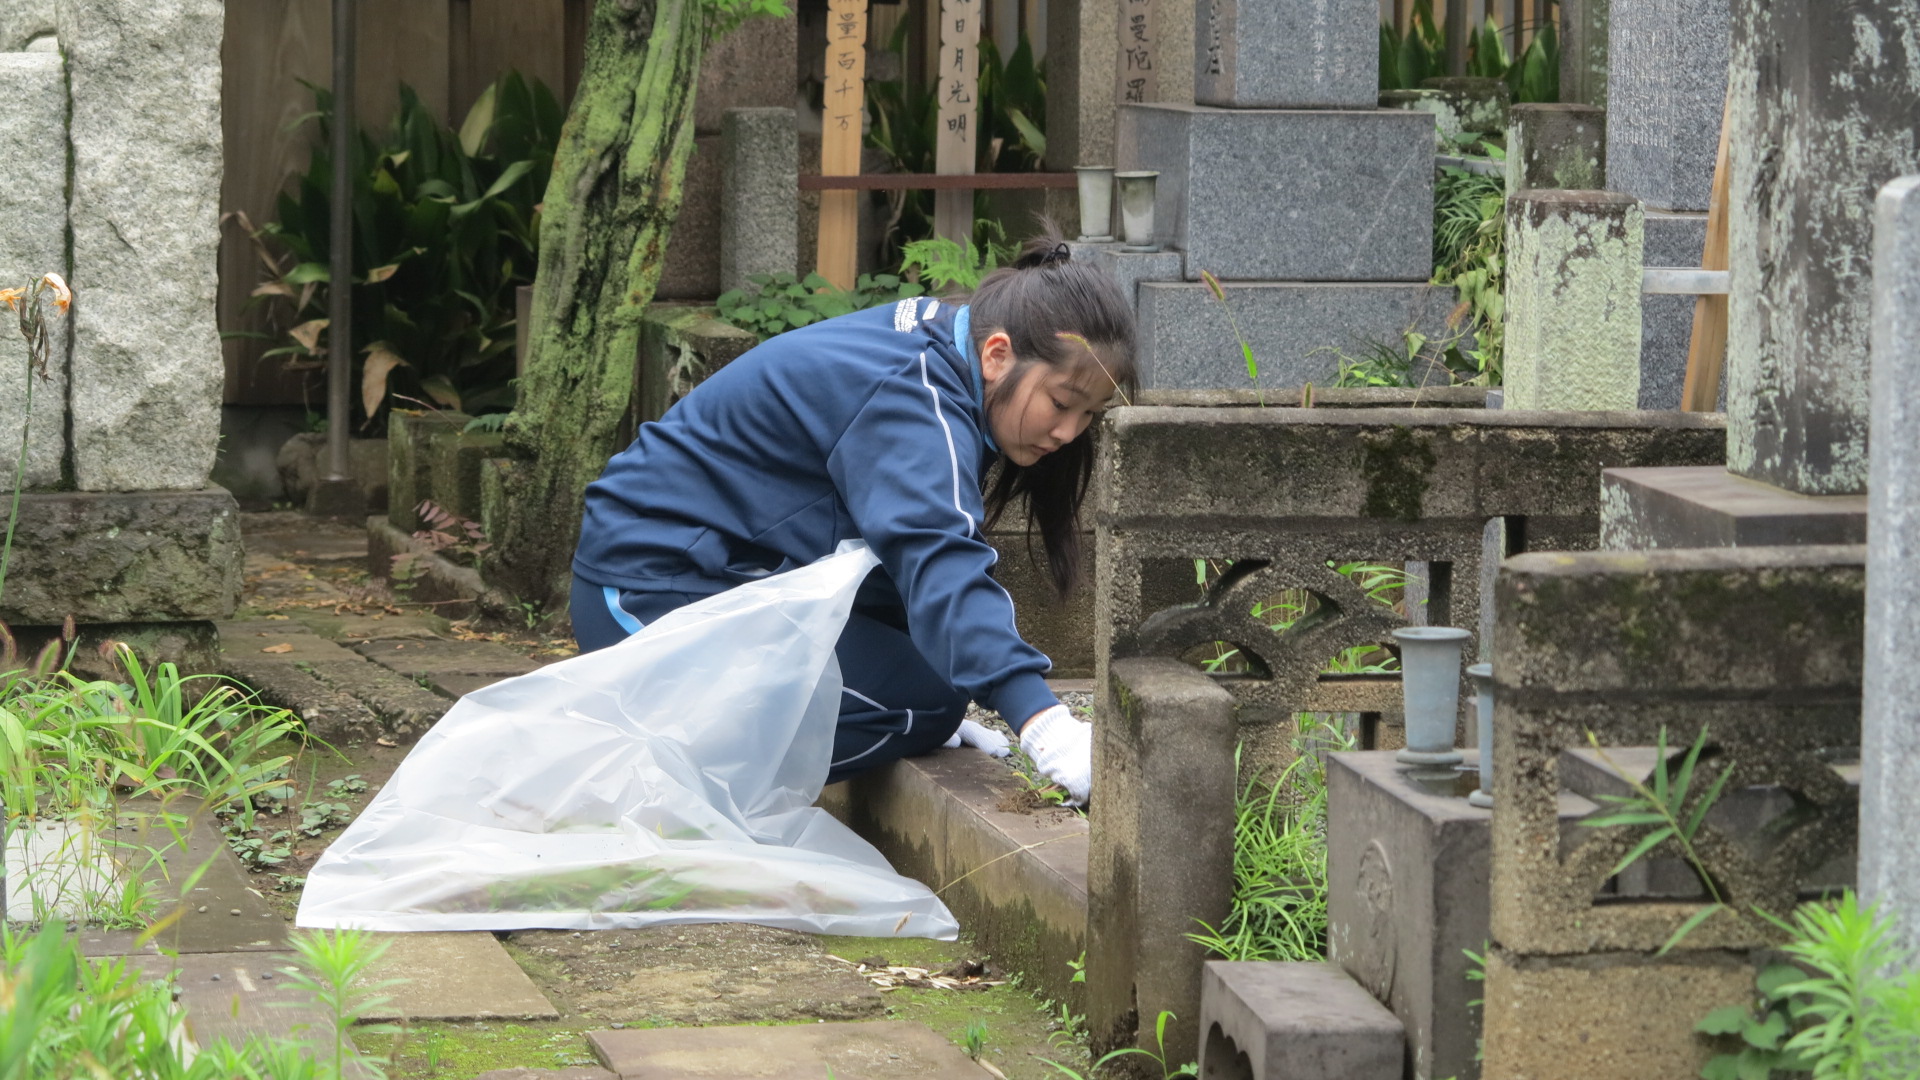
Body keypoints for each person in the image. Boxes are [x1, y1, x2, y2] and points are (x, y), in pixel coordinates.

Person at [568, 234, 1137, 804]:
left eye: (1089, 414)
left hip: (720, 576)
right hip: (644, 597)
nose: (1069, 433)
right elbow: (938, 558)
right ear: (997, 355)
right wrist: (1043, 725)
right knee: (925, 702)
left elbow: (894, 553)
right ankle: (662, 792)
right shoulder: (913, 395)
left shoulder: (939, 349)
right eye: (1061, 403)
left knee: (927, 689)